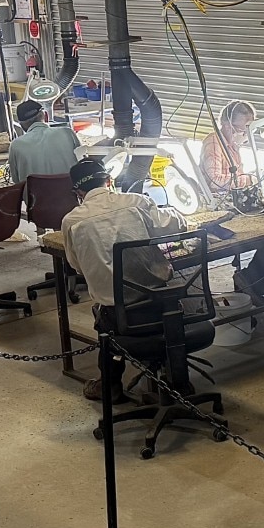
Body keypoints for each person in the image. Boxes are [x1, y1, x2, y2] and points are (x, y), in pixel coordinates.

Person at [61, 159, 188, 402]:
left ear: (78, 193)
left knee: (104, 309)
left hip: (118, 317)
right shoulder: (136, 202)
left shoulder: (71, 222)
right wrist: (171, 212)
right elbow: (176, 224)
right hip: (161, 307)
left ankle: (110, 385)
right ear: (108, 181)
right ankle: (176, 380)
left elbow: (78, 266)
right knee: (177, 292)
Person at [202, 100, 264, 301]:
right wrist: (251, 178)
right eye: (242, 128)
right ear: (227, 124)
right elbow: (217, 181)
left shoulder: (231, 144)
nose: (244, 133)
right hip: (220, 206)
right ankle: (254, 278)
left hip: (238, 200)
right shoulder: (215, 144)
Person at [6, 99, 79, 186]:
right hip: (70, 196)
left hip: (35, 198)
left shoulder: (16, 145)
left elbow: (16, 181)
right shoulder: (67, 133)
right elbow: (83, 165)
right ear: (46, 116)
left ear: (21, 125)